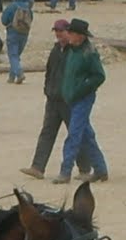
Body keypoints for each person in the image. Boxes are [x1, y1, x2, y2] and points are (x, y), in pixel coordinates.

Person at [20, 19, 90, 180]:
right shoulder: (56, 49)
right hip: (53, 99)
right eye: (56, 31)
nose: (58, 34)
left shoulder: (75, 51)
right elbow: (49, 71)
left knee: (75, 134)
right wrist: (47, 89)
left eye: (61, 31)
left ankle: (85, 168)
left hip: (68, 100)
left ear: (69, 32)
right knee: (47, 132)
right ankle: (38, 167)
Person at [52, 18, 108, 183]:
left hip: (83, 98)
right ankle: (100, 169)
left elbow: (99, 76)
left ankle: (65, 171)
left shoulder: (89, 53)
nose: (67, 35)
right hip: (71, 98)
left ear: (80, 36)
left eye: (70, 33)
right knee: (86, 135)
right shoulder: (71, 50)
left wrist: (82, 88)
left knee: (74, 135)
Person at [1, 0, 33, 83]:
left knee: (13, 55)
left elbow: (4, 20)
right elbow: (31, 19)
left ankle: (19, 73)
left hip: (12, 32)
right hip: (24, 33)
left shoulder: (11, 7)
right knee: (16, 55)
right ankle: (11, 77)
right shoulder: (27, 8)